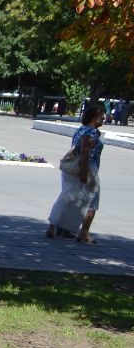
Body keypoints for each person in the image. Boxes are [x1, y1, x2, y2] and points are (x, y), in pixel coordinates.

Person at [46, 102, 104, 244]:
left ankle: (55, 228)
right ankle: (84, 233)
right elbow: (84, 152)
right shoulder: (90, 132)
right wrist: (84, 173)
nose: (104, 119)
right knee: (92, 201)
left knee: (67, 196)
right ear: (94, 118)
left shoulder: (81, 130)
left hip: (72, 167)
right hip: (86, 168)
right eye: (101, 117)